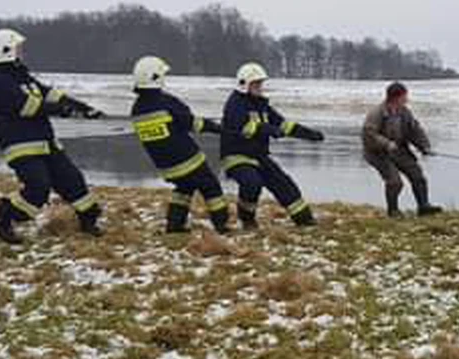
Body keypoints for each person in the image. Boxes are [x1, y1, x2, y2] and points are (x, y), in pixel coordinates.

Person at [0, 28, 104, 244]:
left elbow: (51, 95)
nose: (22, 52)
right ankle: (4, 217)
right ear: (6, 50)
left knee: (73, 181)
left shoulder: (23, 76)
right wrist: (61, 110)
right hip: (19, 145)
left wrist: (82, 107)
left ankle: (88, 219)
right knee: (38, 188)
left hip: (46, 141)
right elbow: (27, 107)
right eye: (18, 48)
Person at [130, 56, 230, 234]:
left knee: (184, 187)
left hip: (166, 166)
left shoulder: (136, 108)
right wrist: (217, 128)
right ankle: (222, 224)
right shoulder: (165, 101)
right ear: (156, 77)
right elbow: (191, 122)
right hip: (188, 159)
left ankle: (174, 225)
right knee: (211, 187)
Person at [220, 62, 324, 229]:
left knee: (283, 184)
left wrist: (309, 134)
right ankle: (247, 219)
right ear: (244, 84)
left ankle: (304, 220)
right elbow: (244, 128)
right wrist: (269, 130)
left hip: (259, 156)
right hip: (236, 156)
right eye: (256, 83)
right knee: (252, 182)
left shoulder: (262, 105)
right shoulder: (235, 104)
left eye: (260, 83)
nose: (260, 87)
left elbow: (283, 125)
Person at [363, 82, 442, 217]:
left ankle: (423, 207)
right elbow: (369, 134)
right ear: (396, 97)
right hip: (377, 153)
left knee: (418, 176)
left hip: (399, 150)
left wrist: (425, 147)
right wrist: (386, 144)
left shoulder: (404, 112)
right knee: (395, 182)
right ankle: (393, 211)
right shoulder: (376, 113)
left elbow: (415, 130)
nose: (407, 99)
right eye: (405, 96)